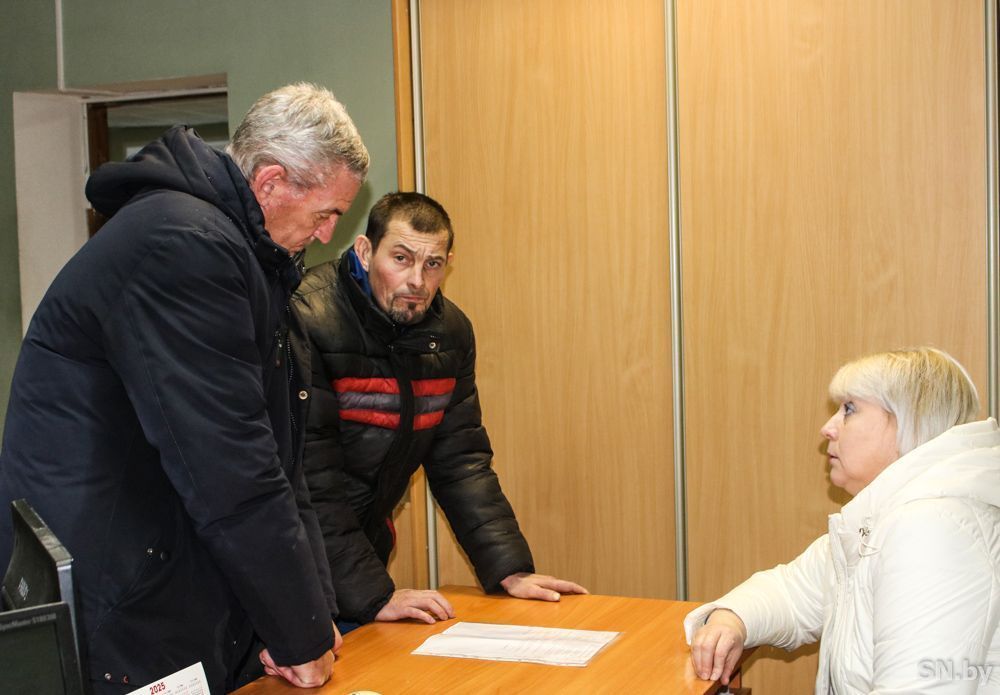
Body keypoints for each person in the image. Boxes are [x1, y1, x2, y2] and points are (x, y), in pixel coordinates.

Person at [0, 83, 368, 694]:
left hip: (160, 568)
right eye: (326, 213)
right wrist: (298, 632)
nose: (329, 234)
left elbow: (282, 461)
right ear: (271, 182)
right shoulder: (183, 246)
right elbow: (232, 467)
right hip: (116, 587)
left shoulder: (246, 255)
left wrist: (310, 617)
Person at [291, 191, 586, 628]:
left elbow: (461, 461)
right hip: (289, 559)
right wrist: (372, 594)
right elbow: (312, 479)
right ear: (365, 252)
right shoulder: (305, 316)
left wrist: (509, 568)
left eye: (432, 264)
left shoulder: (450, 333)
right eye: (401, 259)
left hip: (359, 554)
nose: (417, 280)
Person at [685, 347, 1000, 693]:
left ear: (910, 421)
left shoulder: (931, 529)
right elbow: (792, 592)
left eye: (849, 409)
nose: (827, 428)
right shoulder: (885, 518)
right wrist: (731, 620)